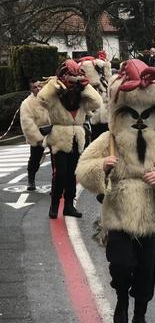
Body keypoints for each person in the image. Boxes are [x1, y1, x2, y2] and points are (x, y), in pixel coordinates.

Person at [75, 59, 155, 323]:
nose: (140, 120)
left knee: (146, 274)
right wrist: (101, 168)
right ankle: (121, 297)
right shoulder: (108, 139)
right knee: (121, 264)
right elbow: (83, 167)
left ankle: (140, 316)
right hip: (117, 212)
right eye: (131, 113)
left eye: (147, 113)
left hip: (151, 217)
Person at [37, 60, 102, 219]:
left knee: (73, 174)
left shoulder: (81, 94)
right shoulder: (55, 93)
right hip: (59, 137)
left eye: (76, 76)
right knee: (60, 173)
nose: (73, 81)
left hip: (76, 136)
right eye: (70, 76)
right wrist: (54, 83)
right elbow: (42, 99)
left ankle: (68, 205)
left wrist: (85, 85)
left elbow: (97, 102)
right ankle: (54, 204)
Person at [19, 79, 49, 191]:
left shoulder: (50, 97)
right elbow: (27, 124)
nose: (38, 89)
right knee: (35, 159)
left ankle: (58, 182)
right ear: (31, 89)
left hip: (54, 131)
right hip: (39, 133)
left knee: (59, 159)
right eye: (35, 87)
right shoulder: (27, 104)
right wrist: (37, 138)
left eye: (39, 86)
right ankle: (31, 179)